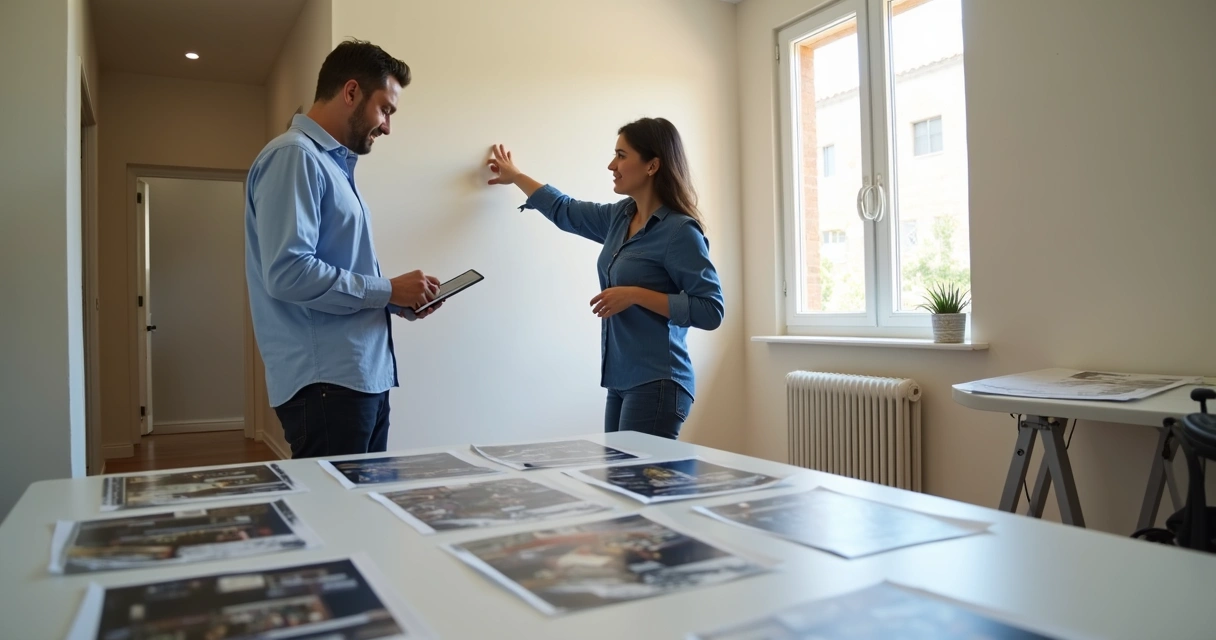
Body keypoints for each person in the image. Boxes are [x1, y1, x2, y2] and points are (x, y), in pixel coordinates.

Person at [245, 39, 442, 458]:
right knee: (338, 519)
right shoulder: (294, 157)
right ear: (351, 91)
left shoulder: (331, 165)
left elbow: (329, 268)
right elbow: (288, 273)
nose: (387, 126)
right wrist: (387, 290)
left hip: (357, 378)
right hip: (328, 386)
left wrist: (397, 301)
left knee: (364, 514)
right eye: (385, 109)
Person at [486, 118, 724, 440]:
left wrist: (636, 294)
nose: (612, 165)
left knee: (639, 485)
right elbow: (564, 210)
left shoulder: (680, 231)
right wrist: (516, 176)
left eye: (622, 155)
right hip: (620, 379)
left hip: (659, 381)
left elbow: (711, 310)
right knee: (619, 483)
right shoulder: (619, 217)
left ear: (652, 165)